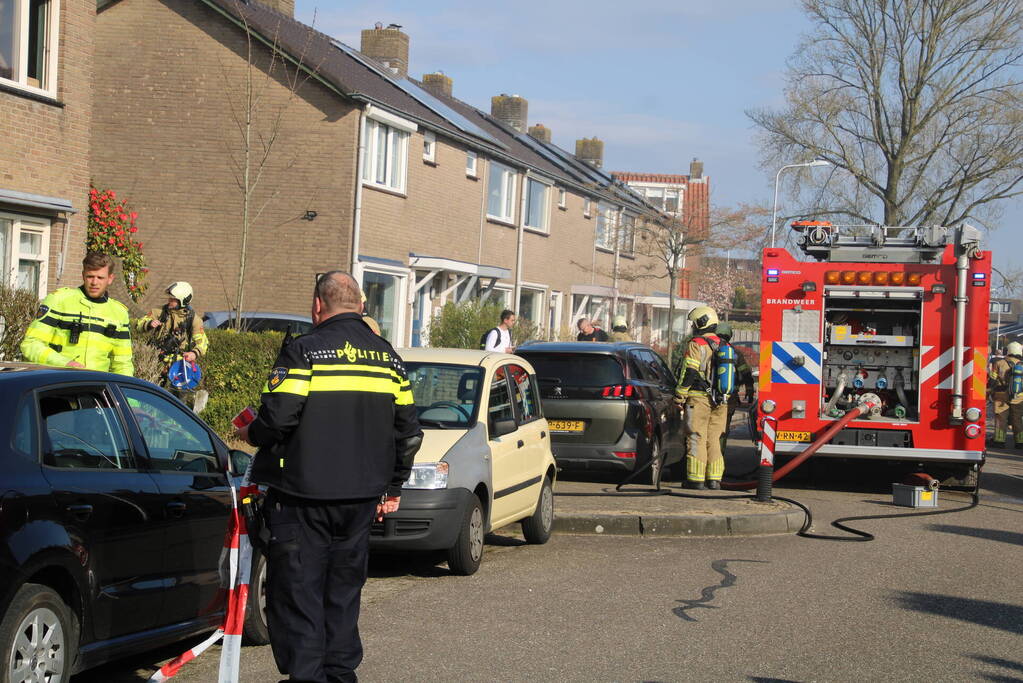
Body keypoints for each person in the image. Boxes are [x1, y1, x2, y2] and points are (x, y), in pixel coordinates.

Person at [235, 271, 422, 683]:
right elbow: (409, 433)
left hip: (303, 499)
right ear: (360, 305)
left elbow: (277, 420)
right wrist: (393, 487)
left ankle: (307, 678)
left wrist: (251, 433)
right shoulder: (388, 358)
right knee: (343, 594)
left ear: (317, 305)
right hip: (361, 502)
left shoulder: (305, 351)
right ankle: (340, 675)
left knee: (298, 595)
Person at [21, 251, 133, 375]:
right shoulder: (58, 300)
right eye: (90, 276)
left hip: (96, 385)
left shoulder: (119, 313)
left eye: (100, 278)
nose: (94, 282)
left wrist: (125, 387)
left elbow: (123, 364)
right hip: (58, 381)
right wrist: (65, 364)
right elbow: (31, 344)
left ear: (110, 279)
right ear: (83, 275)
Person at [674, 306, 728, 489]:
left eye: (694, 323)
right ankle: (714, 480)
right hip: (721, 401)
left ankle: (695, 480)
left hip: (698, 399)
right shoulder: (724, 344)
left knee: (696, 437)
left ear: (701, 323)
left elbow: (689, 372)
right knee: (714, 439)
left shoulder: (696, 344)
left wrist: (680, 395)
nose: (692, 327)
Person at [137, 282, 209, 381]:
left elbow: (202, 343)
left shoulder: (194, 320)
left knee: (175, 391)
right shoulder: (158, 311)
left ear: (183, 301)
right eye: (169, 298)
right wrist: (149, 324)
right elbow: (138, 325)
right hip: (155, 362)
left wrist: (194, 353)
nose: (169, 301)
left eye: (173, 299)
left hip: (178, 368)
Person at [715, 322, 755, 455]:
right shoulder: (735, 353)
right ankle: (719, 455)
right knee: (723, 428)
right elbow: (746, 374)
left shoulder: (708, 349)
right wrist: (750, 391)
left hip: (707, 396)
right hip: (729, 397)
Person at [988, 340, 1023, 448]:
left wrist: (989, 392)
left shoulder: (999, 363)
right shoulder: (1022, 365)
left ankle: (999, 441)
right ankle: (1020, 442)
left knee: (1001, 418)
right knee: (1017, 419)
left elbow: (992, 380)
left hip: (1001, 395)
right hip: (1018, 396)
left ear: (1008, 351)